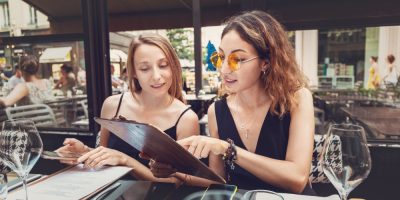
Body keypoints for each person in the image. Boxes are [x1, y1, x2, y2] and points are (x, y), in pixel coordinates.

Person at [151, 10, 315, 194]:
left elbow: (297, 179)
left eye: (237, 59)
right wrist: (176, 173)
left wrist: (229, 150)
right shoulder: (217, 111)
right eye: (220, 58)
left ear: (266, 62)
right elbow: (218, 181)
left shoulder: (297, 98)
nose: (224, 68)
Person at [58, 34, 200, 183]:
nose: (156, 76)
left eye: (163, 65)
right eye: (145, 68)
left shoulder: (186, 118)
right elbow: (106, 158)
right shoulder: (113, 105)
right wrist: (84, 152)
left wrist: (125, 160)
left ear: (174, 66)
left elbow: (179, 182)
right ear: (134, 73)